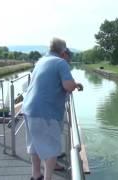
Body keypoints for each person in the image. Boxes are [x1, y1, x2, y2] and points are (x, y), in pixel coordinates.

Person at [22, 38, 83, 180]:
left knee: (35, 145)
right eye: (66, 50)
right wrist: (76, 85)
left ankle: (36, 175)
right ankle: (48, 178)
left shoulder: (41, 61)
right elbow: (68, 86)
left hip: (29, 108)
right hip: (46, 112)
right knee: (52, 149)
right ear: (63, 51)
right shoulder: (61, 63)